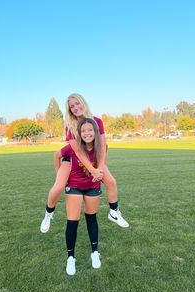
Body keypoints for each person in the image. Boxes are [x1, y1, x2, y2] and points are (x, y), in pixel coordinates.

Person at [40, 93, 129, 233]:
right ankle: (48, 214)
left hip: (94, 158)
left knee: (111, 183)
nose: (75, 107)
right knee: (58, 188)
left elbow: (103, 146)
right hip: (71, 159)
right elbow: (78, 152)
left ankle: (114, 212)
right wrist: (93, 171)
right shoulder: (69, 125)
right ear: (69, 110)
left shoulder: (97, 121)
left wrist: (99, 168)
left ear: (83, 102)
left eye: (77, 103)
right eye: (72, 106)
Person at [54, 118, 102, 275]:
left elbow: (102, 166)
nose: (87, 133)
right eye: (83, 131)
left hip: (92, 187)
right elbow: (56, 156)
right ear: (79, 134)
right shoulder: (72, 148)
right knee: (72, 222)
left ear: (95, 131)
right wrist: (60, 175)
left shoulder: (101, 148)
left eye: (90, 130)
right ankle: (70, 258)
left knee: (91, 219)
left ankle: (94, 253)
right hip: (74, 187)